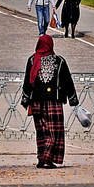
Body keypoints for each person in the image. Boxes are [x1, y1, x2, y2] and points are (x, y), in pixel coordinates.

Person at [20, 34, 79, 169]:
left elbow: (27, 82)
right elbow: (68, 82)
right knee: (53, 132)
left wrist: (25, 99)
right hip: (54, 102)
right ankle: (46, 159)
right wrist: (73, 100)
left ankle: (42, 158)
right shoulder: (59, 61)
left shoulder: (32, 60)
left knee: (42, 131)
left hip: (37, 102)